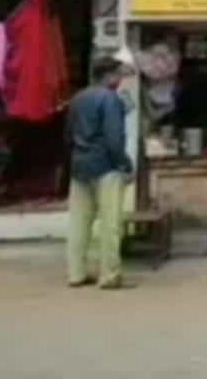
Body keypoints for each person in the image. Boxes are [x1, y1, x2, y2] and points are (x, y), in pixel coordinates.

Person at [65, 55, 135, 290]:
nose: (120, 80)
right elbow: (114, 139)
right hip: (105, 167)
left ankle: (76, 273)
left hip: (79, 166)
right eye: (119, 75)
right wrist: (125, 164)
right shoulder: (111, 99)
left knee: (79, 222)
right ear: (110, 76)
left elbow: (68, 135)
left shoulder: (77, 98)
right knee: (110, 223)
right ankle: (110, 275)